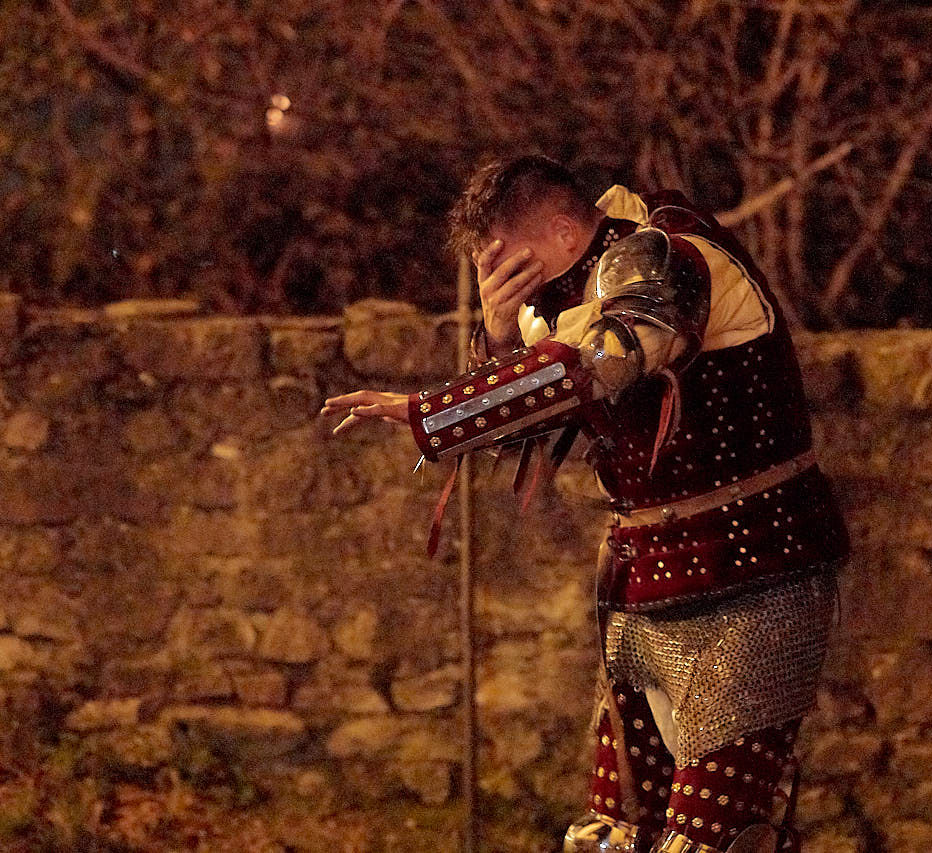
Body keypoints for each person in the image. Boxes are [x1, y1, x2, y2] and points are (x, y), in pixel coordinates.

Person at [321, 156, 850, 853]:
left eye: (512, 263)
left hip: (751, 577)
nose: (510, 283)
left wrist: (435, 410)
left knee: (712, 843)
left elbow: (603, 362)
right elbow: (526, 424)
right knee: (609, 840)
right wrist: (499, 334)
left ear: (566, 232)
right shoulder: (568, 300)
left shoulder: (671, 257)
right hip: (641, 585)